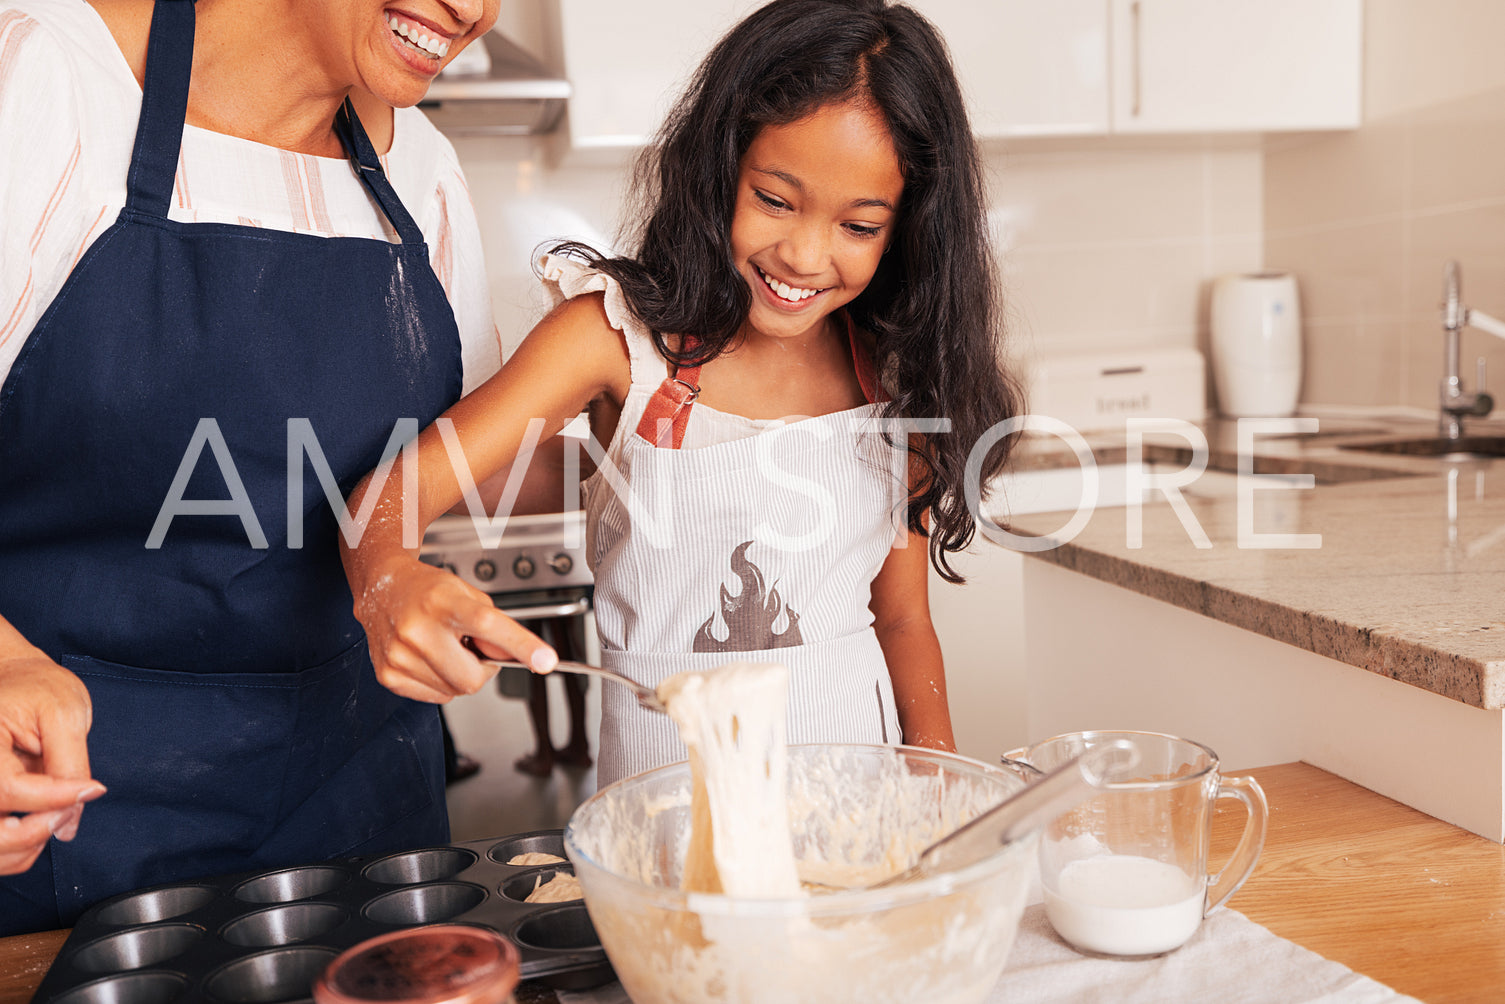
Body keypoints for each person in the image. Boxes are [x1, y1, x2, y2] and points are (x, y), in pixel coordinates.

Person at [342, 0, 1023, 789]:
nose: (804, 254)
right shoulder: (611, 339)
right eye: (774, 199)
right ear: (719, 168)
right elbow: (393, 494)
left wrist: (936, 779)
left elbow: (902, 618)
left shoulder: (895, 378)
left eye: (859, 226)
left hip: (856, 807)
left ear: (908, 229)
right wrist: (389, 578)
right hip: (665, 808)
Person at [0, 0, 557, 934]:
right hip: (72, 808)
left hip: (363, 807)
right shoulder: (50, 80)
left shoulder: (420, 170)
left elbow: (454, 468)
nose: (473, 8)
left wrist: (642, 408)